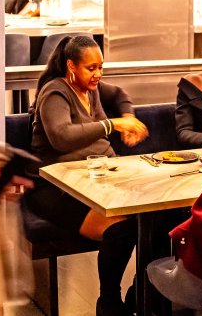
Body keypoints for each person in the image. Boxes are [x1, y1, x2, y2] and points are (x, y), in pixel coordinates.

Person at [25, 35, 148, 316]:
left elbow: (119, 95)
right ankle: (109, 302)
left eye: (100, 67)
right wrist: (111, 125)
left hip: (97, 176)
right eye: (91, 68)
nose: (98, 74)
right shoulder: (55, 92)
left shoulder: (91, 87)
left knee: (157, 219)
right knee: (122, 229)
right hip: (55, 186)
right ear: (71, 66)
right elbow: (61, 137)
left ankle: (141, 292)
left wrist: (127, 117)